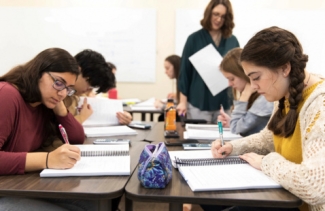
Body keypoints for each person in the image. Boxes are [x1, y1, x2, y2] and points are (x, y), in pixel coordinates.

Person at [207, 26, 325, 211]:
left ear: (285, 68)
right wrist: (233, 147)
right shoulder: (283, 94)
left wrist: (266, 162)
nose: (253, 86)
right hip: (283, 196)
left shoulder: (321, 105)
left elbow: (314, 185)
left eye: (257, 77)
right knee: (211, 200)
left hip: (300, 204)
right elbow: (269, 138)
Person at [0, 48, 99, 210]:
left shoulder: (43, 103)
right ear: (38, 73)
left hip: (17, 184)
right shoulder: (7, 95)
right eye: (58, 83)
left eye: (68, 88)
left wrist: (61, 110)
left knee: (94, 203)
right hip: (5, 191)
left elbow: (76, 138)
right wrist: (47, 159)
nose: (62, 93)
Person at [177, 0, 239, 123]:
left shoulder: (232, 41)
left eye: (223, 16)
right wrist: (182, 102)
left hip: (224, 103)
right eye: (216, 14)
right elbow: (185, 72)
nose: (219, 19)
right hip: (198, 102)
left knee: (222, 140)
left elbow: (239, 74)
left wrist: (236, 104)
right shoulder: (193, 39)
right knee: (199, 140)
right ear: (209, 13)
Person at [64, 49, 132, 125]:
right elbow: (62, 129)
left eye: (93, 86)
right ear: (78, 70)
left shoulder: (79, 94)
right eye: (89, 83)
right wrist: (82, 117)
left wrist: (123, 116)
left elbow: (101, 110)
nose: (89, 90)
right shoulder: (60, 94)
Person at [218, 47, 273, 136]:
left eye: (232, 79)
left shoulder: (263, 100)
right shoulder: (257, 97)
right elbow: (240, 128)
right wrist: (230, 122)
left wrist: (245, 96)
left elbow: (235, 130)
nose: (229, 84)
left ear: (244, 74)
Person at [154, 55, 181, 122]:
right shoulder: (180, 81)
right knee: (161, 117)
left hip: (181, 120)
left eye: (167, 68)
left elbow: (178, 111)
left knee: (162, 118)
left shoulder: (183, 83)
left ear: (176, 67)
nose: (165, 72)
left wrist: (161, 105)